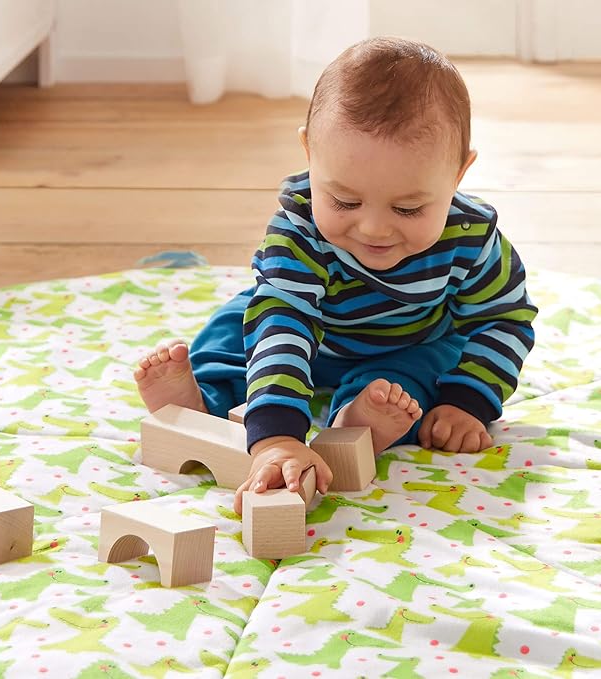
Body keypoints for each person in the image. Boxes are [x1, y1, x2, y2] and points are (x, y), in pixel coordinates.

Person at [134, 37, 538, 514]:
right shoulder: (299, 229)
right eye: (345, 201)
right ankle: (203, 399)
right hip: (303, 326)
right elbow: (284, 321)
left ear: (459, 173)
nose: (373, 229)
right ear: (309, 152)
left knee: (409, 387)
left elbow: (504, 319)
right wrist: (277, 439)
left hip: (408, 341)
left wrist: (468, 400)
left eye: (408, 208)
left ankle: (356, 422)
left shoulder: (472, 238)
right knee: (239, 324)